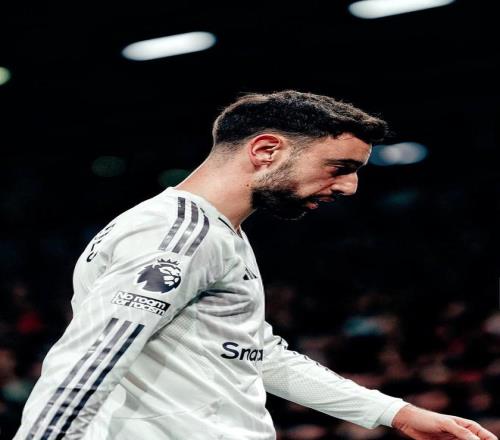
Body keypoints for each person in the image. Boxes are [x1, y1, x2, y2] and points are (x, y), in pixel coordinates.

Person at [14, 90, 496, 440]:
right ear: (266, 151)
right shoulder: (178, 236)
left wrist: (396, 413)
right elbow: (89, 359)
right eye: (339, 167)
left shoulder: (215, 233)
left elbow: (255, 353)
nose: (349, 187)